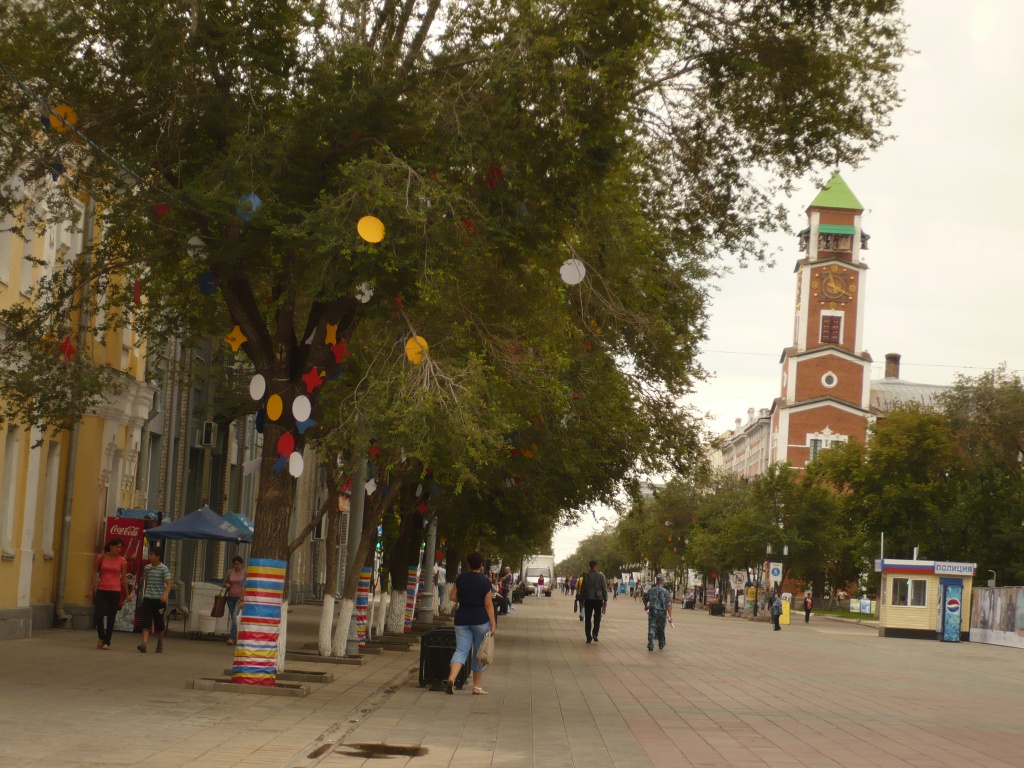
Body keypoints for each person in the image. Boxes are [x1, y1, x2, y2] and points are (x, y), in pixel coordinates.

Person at [445, 552, 497, 696]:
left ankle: (451, 678)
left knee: (461, 650)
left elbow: (452, 596)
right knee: (479, 653)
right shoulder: (485, 582)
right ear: (481, 565)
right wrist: (493, 624)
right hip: (480, 620)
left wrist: (465, 599)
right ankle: (477, 687)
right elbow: (488, 605)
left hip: (462, 619)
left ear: (468, 564)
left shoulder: (461, 579)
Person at [86, 538, 129, 650]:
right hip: (102, 589)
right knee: (98, 615)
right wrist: (90, 590)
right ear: (111, 546)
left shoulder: (122, 560)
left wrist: (127, 594)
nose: (119, 549)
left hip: (115, 590)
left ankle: (107, 642)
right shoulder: (101, 557)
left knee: (111, 616)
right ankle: (102, 636)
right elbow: (94, 574)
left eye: (120, 547)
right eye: (117, 547)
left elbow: (124, 578)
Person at [137, 548, 172, 653]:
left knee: (159, 623)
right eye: (150, 554)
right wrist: (144, 593)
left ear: (158, 557)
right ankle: (144, 643)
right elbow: (146, 581)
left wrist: (165, 594)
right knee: (146, 620)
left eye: (152, 555)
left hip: (159, 599)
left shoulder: (164, 569)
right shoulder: (147, 568)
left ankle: (160, 641)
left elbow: (169, 583)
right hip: (148, 597)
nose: (150, 556)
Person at [580, 560, 608, 644]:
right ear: (595, 566)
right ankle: (595, 634)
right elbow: (604, 588)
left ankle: (588, 637)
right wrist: (605, 599)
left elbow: (583, 589)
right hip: (598, 599)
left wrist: (581, 600)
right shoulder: (600, 576)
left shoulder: (586, 576)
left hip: (588, 599)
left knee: (587, 618)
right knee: (597, 617)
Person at [645, 574, 672, 651]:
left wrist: (646, 607)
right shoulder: (665, 591)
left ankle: (651, 641)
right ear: (661, 581)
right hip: (662, 612)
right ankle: (661, 643)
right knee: (661, 628)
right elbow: (669, 604)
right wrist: (670, 615)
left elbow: (645, 599)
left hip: (653, 611)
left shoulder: (651, 590)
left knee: (652, 626)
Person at [222, 556, 246, 645]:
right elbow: (224, 583)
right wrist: (226, 584)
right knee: (233, 618)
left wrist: (242, 599)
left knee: (235, 616)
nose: (236, 566)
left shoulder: (245, 573)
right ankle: (237, 636)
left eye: (238, 564)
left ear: (241, 564)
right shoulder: (230, 572)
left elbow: (246, 585)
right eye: (234, 564)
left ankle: (231, 638)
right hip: (230, 597)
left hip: (239, 598)